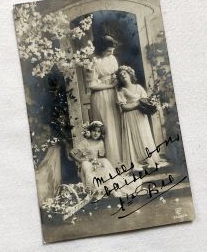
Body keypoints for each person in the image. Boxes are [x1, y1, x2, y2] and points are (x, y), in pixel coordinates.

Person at [116, 65, 168, 171]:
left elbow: (146, 101)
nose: (123, 76)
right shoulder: (121, 91)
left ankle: (149, 158)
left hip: (140, 115)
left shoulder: (138, 87)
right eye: (120, 75)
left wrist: (143, 104)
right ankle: (137, 160)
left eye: (124, 73)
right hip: (129, 116)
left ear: (130, 74)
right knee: (133, 136)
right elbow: (124, 107)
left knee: (144, 135)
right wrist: (137, 104)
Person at [69, 121, 137, 199]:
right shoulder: (85, 142)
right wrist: (80, 160)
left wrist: (98, 163)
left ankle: (109, 188)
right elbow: (71, 153)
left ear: (101, 134)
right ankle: (94, 190)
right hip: (87, 163)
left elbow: (100, 156)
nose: (96, 133)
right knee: (86, 165)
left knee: (104, 161)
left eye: (98, 132)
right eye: (94, 131)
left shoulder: (100, 142)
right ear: (90, 131)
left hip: (95, 161)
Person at [87, 35, 122, 167]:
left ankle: (121, 158)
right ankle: (111, 163)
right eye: (108, 50)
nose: (111, 53)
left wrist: (116, 83)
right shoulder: (93, 62)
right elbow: (92, 85)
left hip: (114, 93)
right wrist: (109, 86)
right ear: (100, 49)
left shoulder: (112, 58)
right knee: (106, 126)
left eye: (112, 50)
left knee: (117, 124)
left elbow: (115, 74)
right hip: (101, 95)